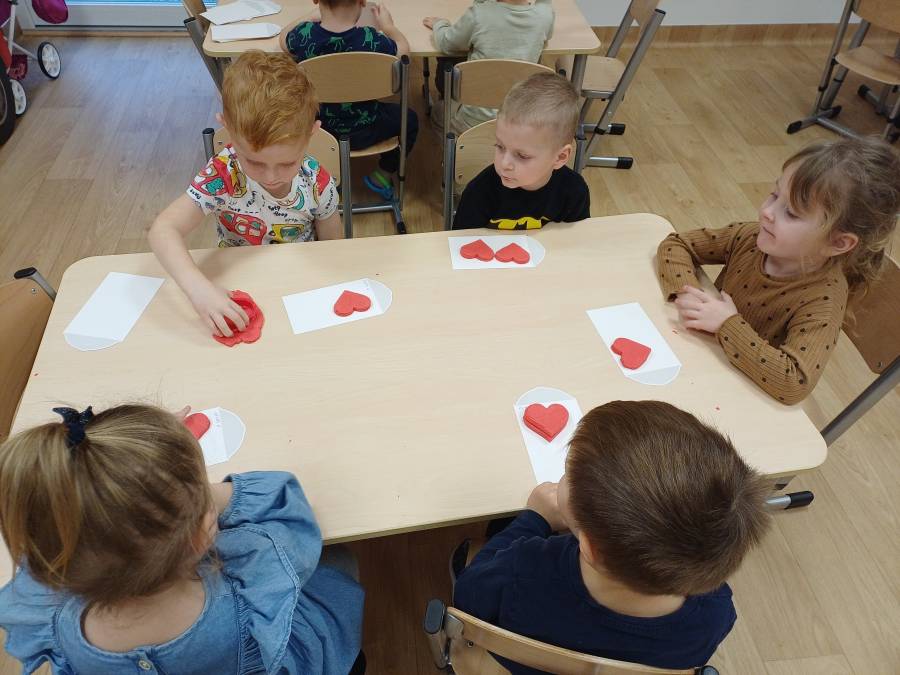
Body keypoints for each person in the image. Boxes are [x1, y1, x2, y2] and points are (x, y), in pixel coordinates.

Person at [0, 404, 365, 675]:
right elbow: (285, 505)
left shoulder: (54, 615)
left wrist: (152, 480)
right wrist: (197, 491)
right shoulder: (248, 595)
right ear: (201, 537)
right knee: (340, 561)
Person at [454, 400, 771, 673]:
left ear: (590, 548)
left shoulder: (526, 569)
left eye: (567, 474)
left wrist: (533, 519)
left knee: (496, 530)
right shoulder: (715, 613)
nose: (563, 478)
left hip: (515, 665)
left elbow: (468, 596)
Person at [657, 136, 900, 404]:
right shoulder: (751, 236)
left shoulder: (823, 301)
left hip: (742, 395)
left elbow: (793, 383)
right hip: (701, 358)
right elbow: (677, 244)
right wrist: (687, 293)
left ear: (838, 242)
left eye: (792, 213)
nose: (767, 212)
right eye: (774, 194)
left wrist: (727, 324)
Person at [148, 50, 342, 339]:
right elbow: (163, 229)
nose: (271, 177)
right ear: (226, 126)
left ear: (312, 132)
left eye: (287, 163)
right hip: (235, 284)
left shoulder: (316, 182)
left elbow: (334, 250)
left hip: (299, 286)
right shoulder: (222, 175)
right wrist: (200, 291)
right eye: (255, 162)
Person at [282, 0, 419, 201]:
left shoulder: (304, 35)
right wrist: (389, 27)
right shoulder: (371, 39)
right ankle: (383, 174)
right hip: (368, 128)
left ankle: (325, 178)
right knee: (410, 120)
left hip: (319, 131)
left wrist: (309, 16)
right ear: (362, 2)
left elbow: (283, 39)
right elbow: (404, 53)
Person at [452, 71, 590, 230]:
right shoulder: (479, 192)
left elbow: (579, 239)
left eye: (522, 156)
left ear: (560, 157)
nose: (505, 164)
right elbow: (461, 241)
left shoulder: (574, 191)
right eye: (500, 146)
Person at [423, 0, 554, 135]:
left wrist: (440, 24)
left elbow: (446, 44)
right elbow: (547, 29)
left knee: (438, 111)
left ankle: (462, 146)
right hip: (518, 122)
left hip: (472, 121)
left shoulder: (479, 15)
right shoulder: (544, 16)